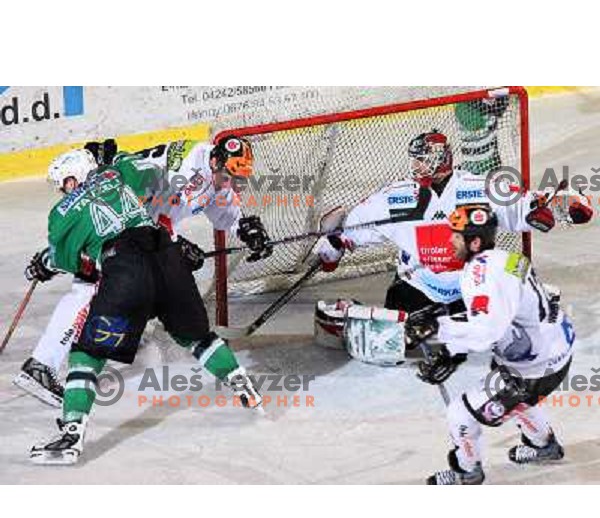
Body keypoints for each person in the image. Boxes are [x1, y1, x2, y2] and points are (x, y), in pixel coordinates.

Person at [29, 148, 266, 465]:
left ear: (71, 179)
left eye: (64, 183)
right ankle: (243, 386)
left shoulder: (60, 213)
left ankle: (71, 436)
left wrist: (46, 262)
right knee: (197, 337)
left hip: (126, 274)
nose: (63, 189)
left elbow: (79, 264)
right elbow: (157, 180)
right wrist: (174, 241)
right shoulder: (119, 171)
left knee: (88, 352)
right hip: (167, 257)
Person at [318, 128, 593, 317]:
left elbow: (526, 206)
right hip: (417, 285)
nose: (416, 166)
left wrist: (553, 207)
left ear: (439, 158)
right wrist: (337, 243)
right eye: (415, 160)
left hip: (470, 283)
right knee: (398, 335)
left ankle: (520, 299)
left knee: (502, 328)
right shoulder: (396, 195)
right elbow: (354, 228)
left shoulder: (480, 187)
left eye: (422, 160)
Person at [410, 204, 574, 485]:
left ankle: (467, 473)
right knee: (516, 398)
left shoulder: (479, 273)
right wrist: (451, 336)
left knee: (460, 413)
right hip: (553, 346)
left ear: (474, 242)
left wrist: (444, 334)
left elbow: (487, 331)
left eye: (456, 236)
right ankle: (544, 446)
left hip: (535, 367)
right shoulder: (506, 258)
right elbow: (501, 313)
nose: (450, 240)